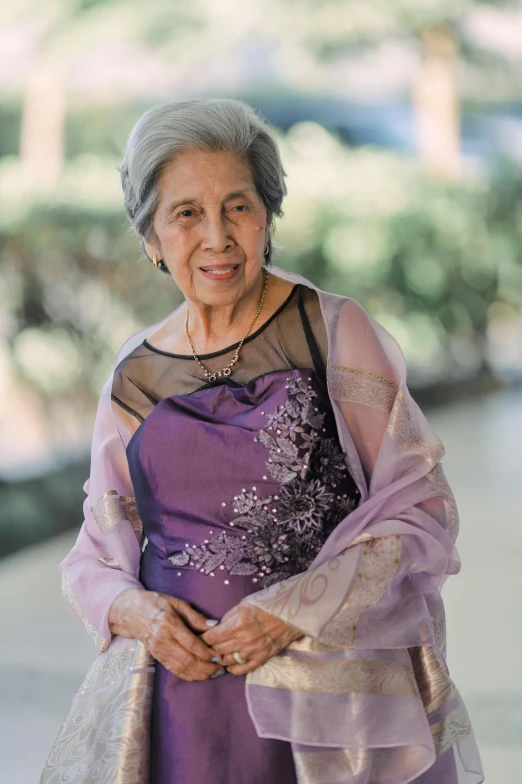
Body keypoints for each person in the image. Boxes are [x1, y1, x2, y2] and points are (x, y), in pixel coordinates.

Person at [41, 98, 484, 784]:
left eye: (238, 207)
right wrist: (140, 614)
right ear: (152, 237)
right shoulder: (133, 376)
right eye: (186, 213)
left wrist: (289, 613)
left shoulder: (333, 331)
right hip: (180, 701)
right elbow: (93, 556)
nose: (216, 236)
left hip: (325, 698)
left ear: (267, 217)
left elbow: (418, 510)